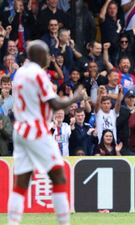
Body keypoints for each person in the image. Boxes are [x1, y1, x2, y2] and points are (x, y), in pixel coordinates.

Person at [8, 40, 84, 225]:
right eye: (47, 53)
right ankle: (64, 222)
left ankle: (12, 223)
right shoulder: (38, 74)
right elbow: (55, 104)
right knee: (59, 175)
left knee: (21, 182)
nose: (49, 57)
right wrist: (76, 96)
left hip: (21, 130)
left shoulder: (20, 74)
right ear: (38, 55)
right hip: (36, 129)